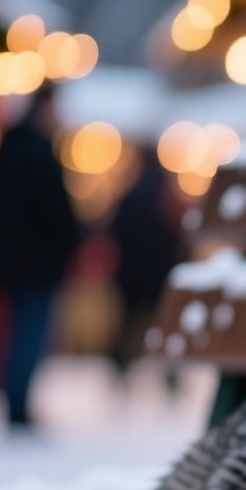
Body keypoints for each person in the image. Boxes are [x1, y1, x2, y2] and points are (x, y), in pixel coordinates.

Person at [0, 86, 81, 427]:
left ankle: (13, 400)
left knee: (17, 332)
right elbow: (55, 212)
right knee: (30, 334)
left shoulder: (7, 146)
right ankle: (18, 404)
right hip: (38, 264)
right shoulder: (39, 152)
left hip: (14, 262)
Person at [107, 157, 184, 374]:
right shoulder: (165, 199)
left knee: (127, 323)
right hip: (159, 272)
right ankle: (169, 374)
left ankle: (121, 367)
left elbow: (114, 233)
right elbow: (177, 237)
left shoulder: (129, 196)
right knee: (164, 324)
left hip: (130, 271)